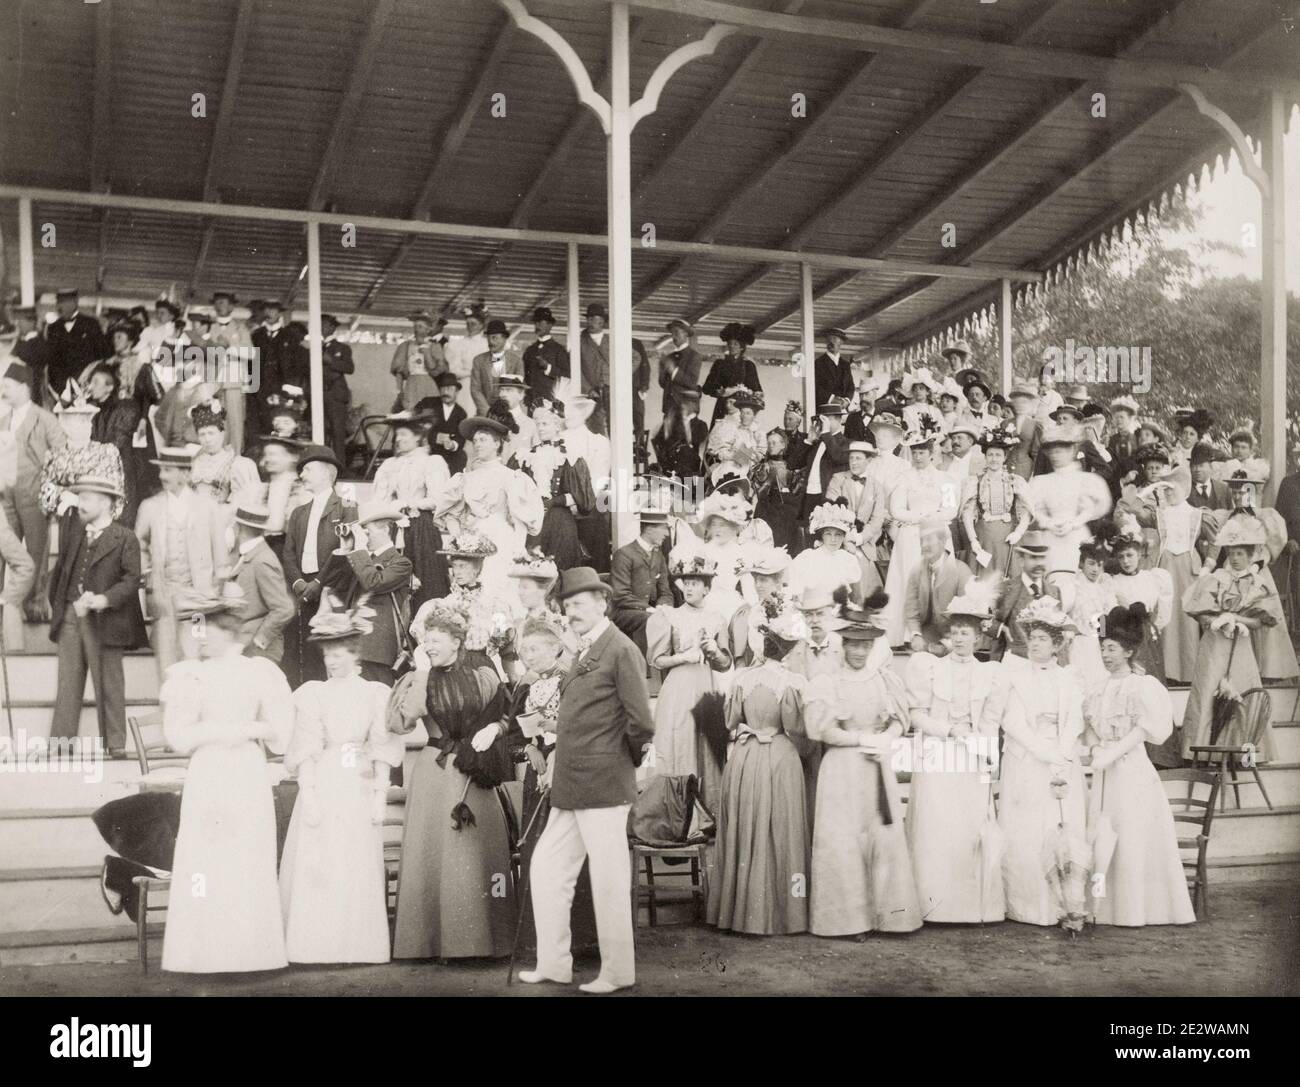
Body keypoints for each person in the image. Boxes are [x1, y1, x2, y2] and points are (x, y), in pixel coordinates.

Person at [521, 567, 654, 994]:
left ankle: (618, 972)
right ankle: (554, 963)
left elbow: (641, 724)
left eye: (579, 604)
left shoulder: (620, 649)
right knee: (546, 869)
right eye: (567, 605)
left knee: (609, 879)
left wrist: (618, 764)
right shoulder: (583, 650)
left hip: (602, 785)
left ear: (602, 603)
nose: (572, 612)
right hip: (571, 786)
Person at [160, 590, 294, 972]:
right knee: (207, 858)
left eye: (209, 630)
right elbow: (179, 737)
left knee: (244, 855)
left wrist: (247, 728)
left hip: (246, 773)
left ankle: (250, 953)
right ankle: (203, 954)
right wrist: (221, 731)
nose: (201, 638)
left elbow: (281, 733)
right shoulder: (191, 676)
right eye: (198, 630)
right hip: (209, 772)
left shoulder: (258, 672)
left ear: (229, 633)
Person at [280, 599, 403, 963]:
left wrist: (380, 795)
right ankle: (315, 945)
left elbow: (381, 746)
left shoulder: (373, 694)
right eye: (328, 654)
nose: (332, 661)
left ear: (354, 654)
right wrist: (312, 795)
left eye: (339, 654)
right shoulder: (313, 694)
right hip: (325, 777)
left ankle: (357, 946)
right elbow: (307, 747)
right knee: (321, 861)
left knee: (354, 860)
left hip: (358, 779)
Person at [391, 598, 514, 958]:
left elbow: (509, 713)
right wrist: (425, 671)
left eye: (437, 638)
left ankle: (481, 942)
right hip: (434, 772)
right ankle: (429, 943)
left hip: (473, 772)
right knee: (433, 854)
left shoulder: (483, 673)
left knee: (475, 856)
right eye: (426, 639)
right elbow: (404, 720)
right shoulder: (418, 678)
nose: (429, 645)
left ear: (457, 641)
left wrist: (493, 728)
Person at [805, 603, 919, 937]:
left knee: (881, 837)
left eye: (865, 644)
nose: (859, 650)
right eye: (853, 643)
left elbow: (901, 720)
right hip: (841, 772)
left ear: (873, 646)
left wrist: (886, 737)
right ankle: (848, 920)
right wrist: (860, 737)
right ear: (842, 644)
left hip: (875, 768)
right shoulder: (829, 682)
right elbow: (822, 731)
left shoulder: (884, 679)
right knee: (844, 842)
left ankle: (887, 916)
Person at [1085, 603, 1196, 927]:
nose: (1106, 655)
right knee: (1104, 835)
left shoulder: (1142, 686)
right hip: (1105, 770)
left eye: (1112, 648)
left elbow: (1146, 730)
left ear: (1129, 650)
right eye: (1103, 648)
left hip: (1131, 770)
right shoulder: (1098, 688)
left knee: (1131, 835)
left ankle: (1136, 910)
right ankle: (1101, 908)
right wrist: (1095, 748)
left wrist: (1113, 752)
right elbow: (1088, 722)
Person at [904, 584, 1008, 923]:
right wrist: (949, 731)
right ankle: (933, 905)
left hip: (971, 757)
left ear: (979, 638)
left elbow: (991, 722)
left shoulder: (989, 674)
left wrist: (987, 756)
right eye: (956, 632)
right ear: (949, 636)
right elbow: (916, 714)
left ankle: (968, 908)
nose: (961, 639)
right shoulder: (930, 668)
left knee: (968, 829)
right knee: (936, 827)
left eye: (968, 633)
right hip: (937, 752)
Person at [708, 604, 811, 936]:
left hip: (745, 757)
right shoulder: (792, 681)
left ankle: (740, 912)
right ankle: (785, 913)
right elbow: (795, 726)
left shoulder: (742, 678)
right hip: (779, 755)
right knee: (782, 830)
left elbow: (729, 721)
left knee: (746, 828)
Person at [508, 615, 596, 953]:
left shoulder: (570, 681)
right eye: (524, 650)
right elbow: (512, 740)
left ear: (556, 648)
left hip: (568, 770)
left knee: (571, 850)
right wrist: (529, 749)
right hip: (536, 775)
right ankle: (539, 940)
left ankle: (581, 939)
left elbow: (584, 726)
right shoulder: (524, 686)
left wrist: (558, 748)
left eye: (535, 648)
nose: (528, 655)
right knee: (538, 848)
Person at [999, 597, 1088, 930]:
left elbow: (1075, 721)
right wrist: (1045, 752)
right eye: (1032, 638)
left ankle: (1066, 906)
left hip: (1061, 760)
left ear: (1056, 645)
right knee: (1027, 831)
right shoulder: (1016, 676)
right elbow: (1013, 722)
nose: (1035, 644)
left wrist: (1062, 754)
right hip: (1028, 759)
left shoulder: (1068, 678)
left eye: (1042, 639)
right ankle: (1026, 906)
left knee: (1061, 827)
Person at [48, 472, 147, 758]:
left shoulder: (125, 537)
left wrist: (104, 599)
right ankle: (60, 742)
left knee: (110, 683)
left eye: (87, 498)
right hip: (70, 616)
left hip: (106, 620)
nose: (80, 503)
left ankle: (115, 743)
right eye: (79, 498)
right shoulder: (75, 533)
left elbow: (131, 580)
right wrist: (63, 604)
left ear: (106, 503)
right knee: (68, 681)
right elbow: (62, 573)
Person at [1181, 517, 1284, 760]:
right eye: (1232, 553)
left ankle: (1243, 752)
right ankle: (1205, 751)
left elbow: (1262, 620)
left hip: (1241, 645)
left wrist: (1236, 619)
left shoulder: (1257, 584)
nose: (1235, 558)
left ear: (1250, 556)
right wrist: (1216, 621)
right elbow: (1200, 612)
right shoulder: (1216, 579)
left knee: (1243, 691)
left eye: (1240, 553)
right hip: (1215, 644)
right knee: (1208, 689)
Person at [134, 447, 231, 679]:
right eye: (161, 470)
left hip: (199, 602)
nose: (161, 476)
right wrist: (148, 576)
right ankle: (169, 712)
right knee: (166, 662)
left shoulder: (207, 507)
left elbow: (220, 551)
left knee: (196, 655)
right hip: (164, 599)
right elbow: (138, 544)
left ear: (185, 474)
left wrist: (217, 588)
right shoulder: (150, 506)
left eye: (168, 470)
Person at [647, 555, 733, 808]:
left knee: (708, 744)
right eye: (686, 582)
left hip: (706, 687)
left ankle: (709, 813)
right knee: (680, 744)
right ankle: (679, 814)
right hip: (679, 689)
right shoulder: (669, 616)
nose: (690, 588)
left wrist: (714, 651)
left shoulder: (717, 618)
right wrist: (684, 657)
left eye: (696, 583)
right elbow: (657, 660)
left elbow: (725, 665)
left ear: (707, 588)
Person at [438, 414, 544, 597]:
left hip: (501, 541)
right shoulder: (465, 479)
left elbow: (519, 518)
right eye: (475, 440)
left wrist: (518, 548)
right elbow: (451, 515)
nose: (477, 444)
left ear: (497, 444)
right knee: (471, 592)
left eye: (483, 440)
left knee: (497, 588)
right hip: (472, 543)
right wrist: (459, 541)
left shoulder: (511, 477)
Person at [1, 359, 68, 620]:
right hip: (5, 496)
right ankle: (4, 608)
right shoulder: (3, 419)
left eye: (8, 386)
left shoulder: (45, 419)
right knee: (4, 551)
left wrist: (49, 494)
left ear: (24, 387)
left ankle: (35, 607)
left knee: (36, 553)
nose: (3, 391)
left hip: (35, 494)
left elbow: (61, 456)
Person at [881, 425, 958, 646]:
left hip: (937, 534)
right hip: (911, 536)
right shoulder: (903, 478)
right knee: (911, 580)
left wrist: (932, 520)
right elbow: (897, 510)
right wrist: (921, 517)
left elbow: (951, 510)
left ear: (932, 453)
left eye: (922, 452)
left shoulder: (946, 479)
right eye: (914, 452)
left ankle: (938, 632)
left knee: (939, 581)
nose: (917, 457)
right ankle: (908, 633)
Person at [282, 445, 351, 688]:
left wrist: (319, 583)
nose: (302, 475)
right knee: (305, 649)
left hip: (331, 590)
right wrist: (300, 583)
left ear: (327, 473)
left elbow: (344, 552)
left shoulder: (345, 508)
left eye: (308, 469)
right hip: (303, 588)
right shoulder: (298, 513)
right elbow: (288, 554)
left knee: (331, 649)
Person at [372, 416, 450, 610]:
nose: (398, 439)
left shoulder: (431, 462)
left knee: (426, 576)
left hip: (421, 527)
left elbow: (437, 499)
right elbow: (380, 499)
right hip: (395, 526)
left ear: (417, 437)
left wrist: (409, 502)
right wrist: (391, 508)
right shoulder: (390, 464)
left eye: (404, 434)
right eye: (397, 435)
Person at [510, 396, 594, 571]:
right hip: (533, 519)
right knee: (531, 565)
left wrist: (553, 502)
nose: (540, 428)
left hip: (559, 520)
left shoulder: (570, 456)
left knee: (559, 566)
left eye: (545, 424)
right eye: (538, 424)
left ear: (557, 425)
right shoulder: (525, 456)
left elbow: (583, 500)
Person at [1027, 420, 1113, 583]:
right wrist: (1048, 522)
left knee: (1077, 580)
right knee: (1050, 580)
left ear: (1072, 450)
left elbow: (1096, 507)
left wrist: (1074, 523)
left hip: (1076, 536)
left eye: (1060, 451)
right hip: (1050, 537)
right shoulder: (1042, 481)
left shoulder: (1085, 480)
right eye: (1052, 452)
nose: (1055, 456)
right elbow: (1035, 509)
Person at [340, 502, 415, 685]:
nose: (364, 538)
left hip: (376, 651)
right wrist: (347, 549)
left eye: (368, 532)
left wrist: (359, 550)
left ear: (385, 530)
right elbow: (337, 584)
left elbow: (373, 582)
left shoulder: (401, 563)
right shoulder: (361, 558)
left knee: (378, 704)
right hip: (352, 645)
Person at [228, 498, 294, 663]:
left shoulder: (262, 559)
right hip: (243, 647)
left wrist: (259, 640)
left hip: (257, 653)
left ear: (238, 528)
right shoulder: (247, 556)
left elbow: (284, 608)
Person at [824, 439, 887, 598]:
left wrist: (858, 538)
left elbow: (877, 520)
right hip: (838, 543)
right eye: (851, 458)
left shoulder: (877, 486)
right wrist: (846, 538)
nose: (854, 462)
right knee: (836, 593)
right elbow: (830, 510)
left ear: (869, 460)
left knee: (860, 595)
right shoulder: (838, 479)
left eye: (858, 458)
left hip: (864, 546)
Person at [904, 516, 973, 655]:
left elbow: (968, 618)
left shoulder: (961, 571)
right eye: (922, 540)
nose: (924, 545)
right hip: (926, 638)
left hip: (956, 639)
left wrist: (947, 644)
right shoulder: (916, 571)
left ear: (942, 541)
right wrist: (916, 635)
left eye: (929, 539)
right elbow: (911, 608)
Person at [610, 506, 673, 655]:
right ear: (649, 529)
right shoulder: (624, 555)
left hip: (652, 612)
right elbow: (620, 595)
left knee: (675, 618)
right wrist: (649, 609)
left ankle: (667, 669)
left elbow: (666, 592)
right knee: (651, 620)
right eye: (664, 528)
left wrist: (663, 607)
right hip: (624, 612)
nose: (666, 534)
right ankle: (643, 670)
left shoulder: (658, 556)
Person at [85, 365, 144, 524]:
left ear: (109, 387)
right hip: (102, 472)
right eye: (91, 382)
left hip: (121, 471)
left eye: (96, 382)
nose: (91, 386)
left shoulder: (126, 407)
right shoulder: (93, 410)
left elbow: (116, 443)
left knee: (122, 521)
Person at [787, 499, 864, 606]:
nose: (833, 539)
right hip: (814, 611)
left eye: (838, 535)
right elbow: (794, 593)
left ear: (843, 537)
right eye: (828, 534)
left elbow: (857, 598)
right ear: (821, 535)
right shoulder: (807, 557)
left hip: (840, 612)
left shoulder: (848, 559)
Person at [1066, 539, 1118, 694]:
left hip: (1099, 643)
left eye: (1100, 565)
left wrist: (1103, 634)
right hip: (1079, 643)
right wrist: (1072, 631)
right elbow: (1063, 613)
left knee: (1100, 683)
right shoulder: (1074, 586)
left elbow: (1110, 615)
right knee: (1079, 683)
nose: (1096, 569)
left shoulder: (1104, 587)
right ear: (1081, 564)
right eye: (1091, 563)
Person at [189, 399, 259, 505]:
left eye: (211, 433)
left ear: (222, 434)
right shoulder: (194, 463)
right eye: (202, 434)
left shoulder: (235, 464)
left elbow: (244, 501)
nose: (207, 439)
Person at [792, 400, 850, 521]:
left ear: (838, 420)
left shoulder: (845, 443)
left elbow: (837, 457)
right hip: (808, 495)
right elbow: (793, 464)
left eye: (825, 420)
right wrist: (808, 441)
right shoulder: (816, 443)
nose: (821, 423)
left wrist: (826, 432)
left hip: (827, 497)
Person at [45, 288, 108, 397]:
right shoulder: (53, 328)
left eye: (64, 302)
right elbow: (51, 359)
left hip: (85, 388)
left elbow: (101, 356)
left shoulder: (91, 324)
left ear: (75, 303)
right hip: (60, 389)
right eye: (58, 302)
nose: (59, 307)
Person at [701, 322, 762, 426]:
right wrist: (720, 392)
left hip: (742, 407)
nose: (731, 346)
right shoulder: (719, 364)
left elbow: (756, 390)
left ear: (742, 347)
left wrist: (748, 392)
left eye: (735, 344)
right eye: (730, 343)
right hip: (722, 406)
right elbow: (707, 387)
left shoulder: (748, 366)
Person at [391, 310, 447, 412]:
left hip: (428, 383)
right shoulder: (405, 346)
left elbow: (435, 368)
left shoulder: (433, 346)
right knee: (410, 410)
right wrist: (399, 391)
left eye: (420, 327)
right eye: (415, 327)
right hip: (411, 384)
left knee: (429, 411)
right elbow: (398, 371)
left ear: (427, 330)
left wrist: (427, 354)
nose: (417, 330)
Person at [418, 371, 469, 476]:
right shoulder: (428, 403)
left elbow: (460, 437)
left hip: (447, 452)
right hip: (429, 448)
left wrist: (452, 445)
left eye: (450, 389)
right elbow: (417, 424)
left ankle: (453, 487)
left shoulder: (461, 413)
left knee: (461, 456)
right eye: (443, 388)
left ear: (457, 391)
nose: (446, 392)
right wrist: (435, 436)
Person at [319, 313, 354, 466]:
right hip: (318, 394)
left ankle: (340, 468)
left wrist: (331, 360)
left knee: (337, 434)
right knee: (319, 432)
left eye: (325, 324)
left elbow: (349, 368)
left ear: (333, 328)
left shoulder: (342, 348)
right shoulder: (312, 347)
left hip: (336, 394)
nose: (321, 328)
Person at [470, 319, 524, 415]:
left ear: (504, 339)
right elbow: (475, 389)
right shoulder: (478, 360)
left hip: (509, 413)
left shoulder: (517, 361)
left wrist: (507, 412)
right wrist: (487, 411)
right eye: (488, 338)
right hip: (485, 413)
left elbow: (518, 389)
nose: (490, 342)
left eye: (494, 338)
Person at [522, 307, 569, 401]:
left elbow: (567, 376)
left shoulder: (559, 350)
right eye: (535, 322)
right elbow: (524, 375)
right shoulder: (530, 350)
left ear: (550, 325)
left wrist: (548, 368)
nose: (537, 325)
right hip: (530, 401)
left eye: (540, 322)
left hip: (550, 400)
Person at [578, 303, 612, 429]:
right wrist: (588, 389)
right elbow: (575, 369)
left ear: (602, 321)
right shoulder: (579, 341)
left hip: (611, 390)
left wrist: (621, 378)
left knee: (616, 425)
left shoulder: (612, 340)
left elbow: (635, 358)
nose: (590, 321)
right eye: (588, 318)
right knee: (594, 427)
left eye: (594, 318)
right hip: (592, 393)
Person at [659, 318, 701, 415]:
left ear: (685, 334)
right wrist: (662, 370)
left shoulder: (694, 356)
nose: (674, 336)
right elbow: (663, 384)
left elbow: (691, 382)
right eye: (672, 333)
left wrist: (673, 370)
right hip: (669, 406)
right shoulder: (669, 357)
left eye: (677, 332)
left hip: (686, 406)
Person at [814, 327, 855, 410]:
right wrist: (832, 399)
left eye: (835, 339)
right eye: (829, 339)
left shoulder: (846, 365)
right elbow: (816, 386)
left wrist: (847, 400)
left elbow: (851, 386)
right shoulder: (818, 363)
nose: (831, 342)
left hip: (843, 409)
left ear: (841, 342)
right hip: (825, 409)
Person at [1006, 382, 1042, 480]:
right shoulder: (1005, 423)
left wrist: (1034, 473)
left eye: (1024, 402)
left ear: (1030, 403)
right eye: (1017, 402)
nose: (1020, 405)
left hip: (1025, 466)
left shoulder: (1034, 425)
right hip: (1006, 464)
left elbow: (1036, 452)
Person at [1188, 442, 1231, 510]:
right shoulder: (1185, 490)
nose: (1197, 469)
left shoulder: (1224, 490)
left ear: (1210, 467)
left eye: (1201, 465)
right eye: (1194, 466)